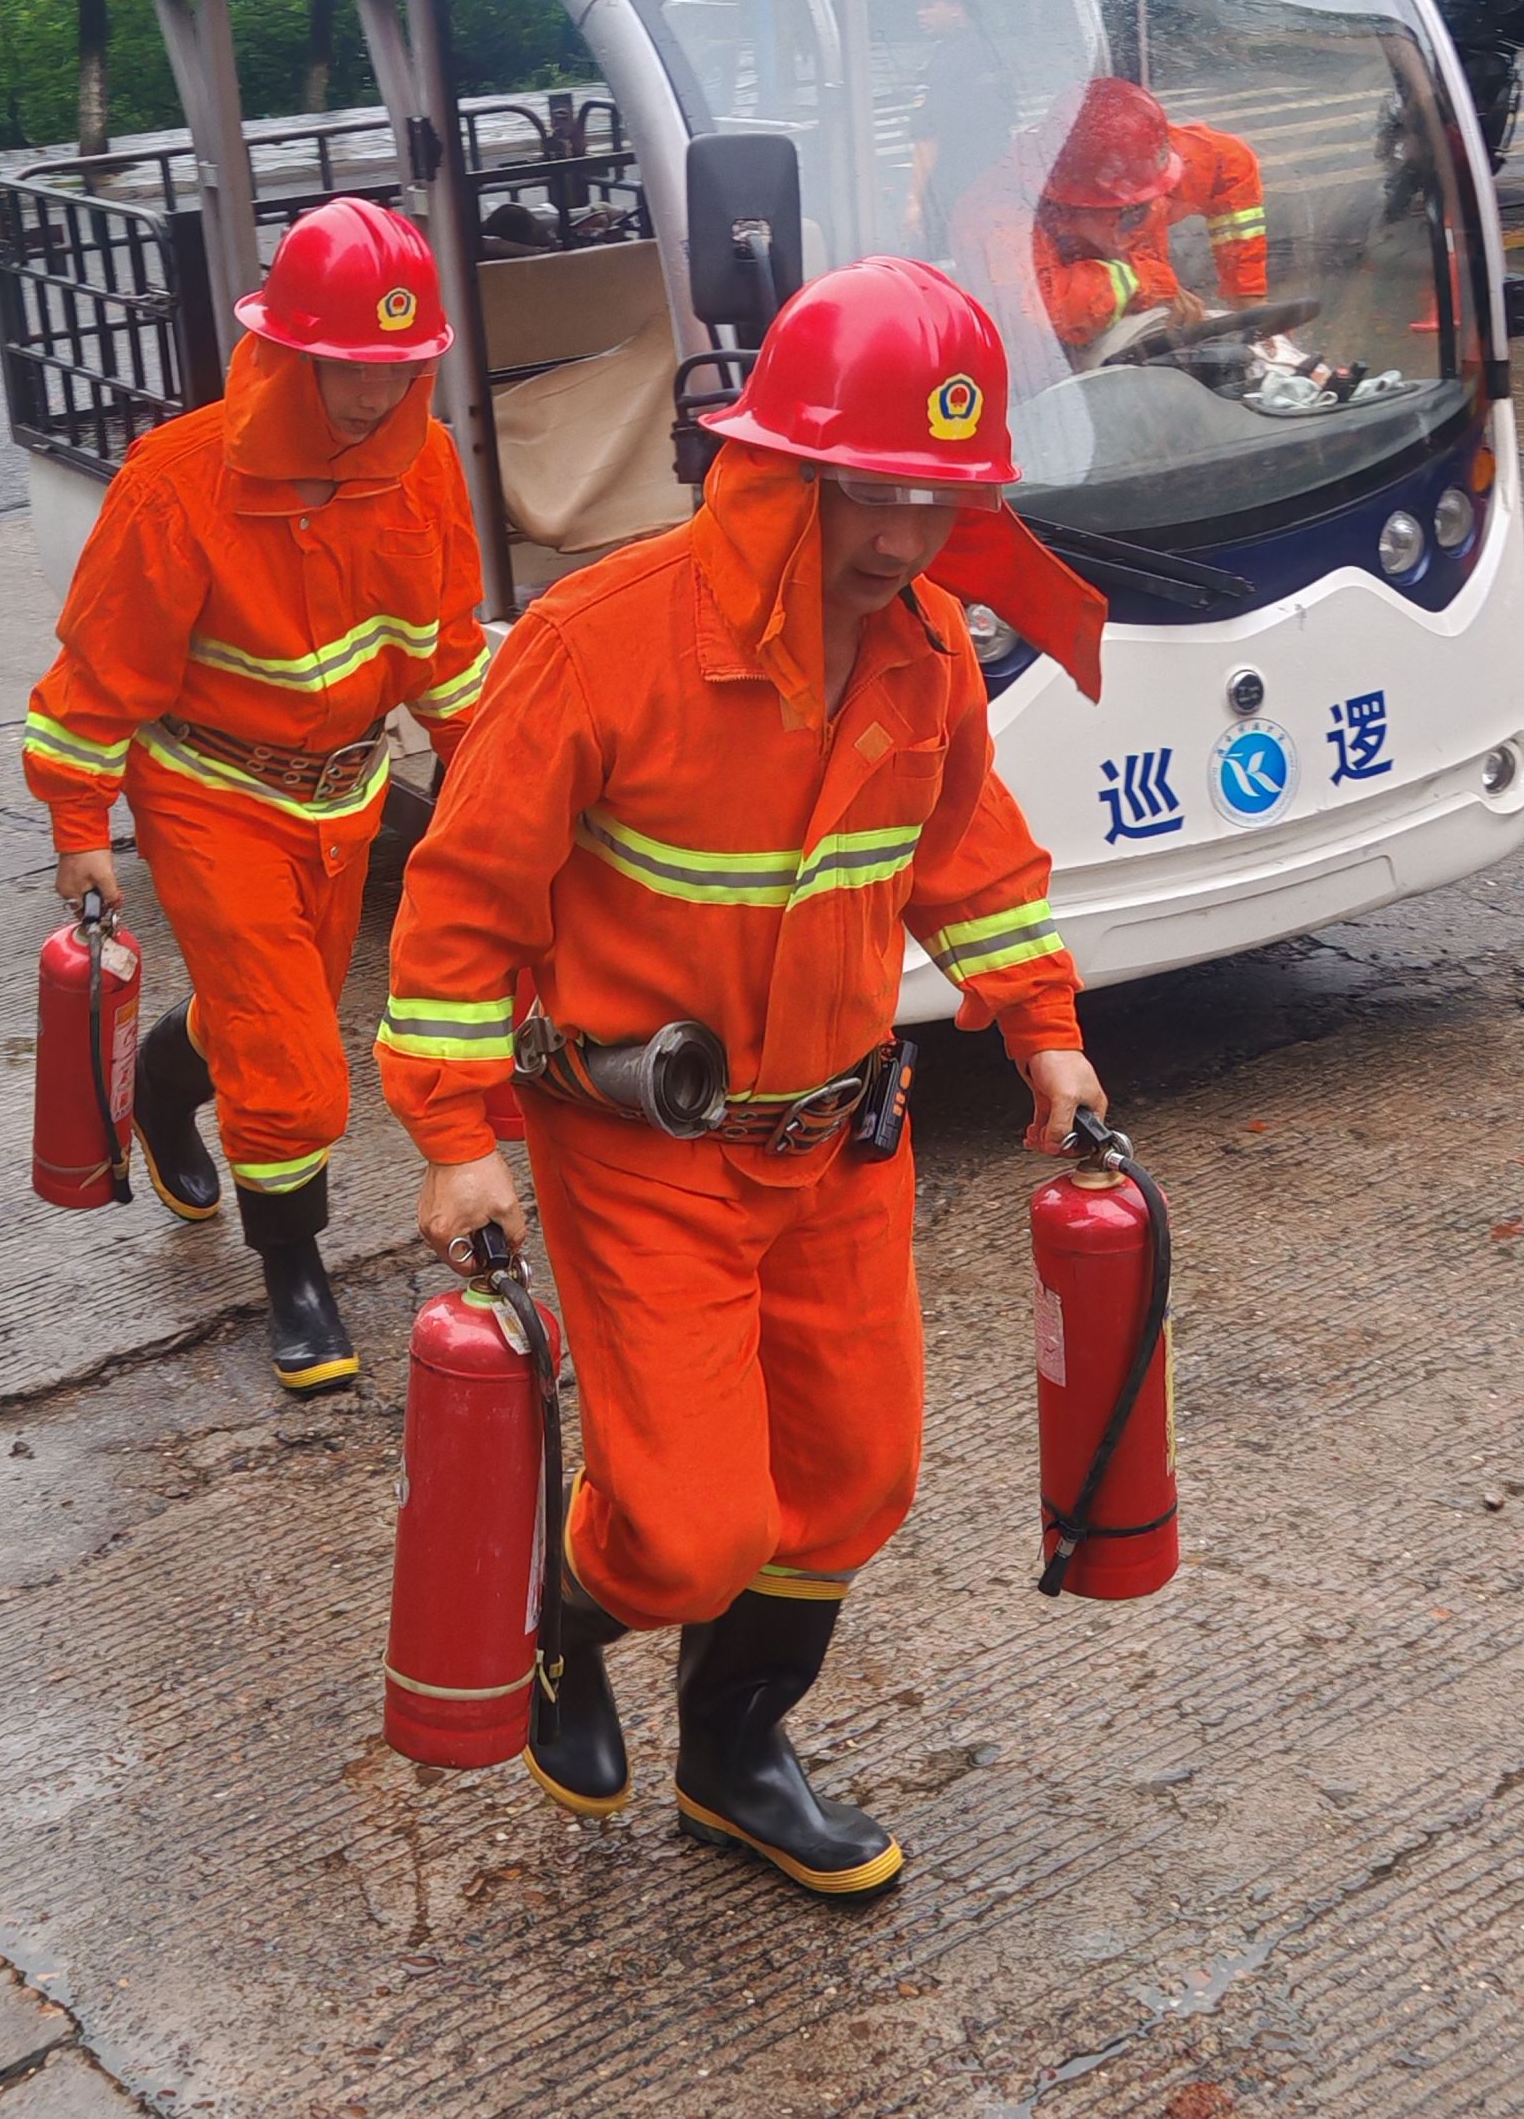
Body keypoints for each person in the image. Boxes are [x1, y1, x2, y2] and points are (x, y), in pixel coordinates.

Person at [375, 259, 1106, 1898]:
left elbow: (966, 856)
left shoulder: (921, 647)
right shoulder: (600, 643)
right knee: (694, 1526)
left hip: (839, 1140)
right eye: (871, 493)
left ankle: (733, 1753)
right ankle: (568, 1615)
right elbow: (464, 896)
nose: (903, 539)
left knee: (855, 1476)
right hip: (643, 1150)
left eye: (934, 498)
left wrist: (1040, 1025)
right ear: (778, 468)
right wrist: (452, 1132)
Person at [23, 198, 489, 1395]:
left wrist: (501, 779)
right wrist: (79, 824)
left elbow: (446, 652)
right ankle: (293, 1270)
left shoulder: (427, 465)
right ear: (285, 350)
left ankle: (162, 1093)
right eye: (348, 366)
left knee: (267, 1014)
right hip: (210, 796)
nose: (373, 395)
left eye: (398, 368)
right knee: (289, 1052)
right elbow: (97, 672)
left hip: (348, 796)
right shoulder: (178, 482)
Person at [956, 74, 1268, 359]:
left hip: (1138, 336)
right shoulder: (997, 213)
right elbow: (1041, 310)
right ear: (1069, 201)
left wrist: (1248, 296)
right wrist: (1146, 283)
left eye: (1138, 208)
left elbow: (1232, 165)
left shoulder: (1146, 157)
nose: (1129, 219)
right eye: (1117, 210)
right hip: (1044, 368)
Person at [903, 0, 1014, 258]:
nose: (920, 14)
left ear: (956, 8)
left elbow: (928, 135)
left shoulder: (947, 61)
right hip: (993, 185)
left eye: (930, 5)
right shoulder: (991, 52)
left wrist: (914, 200)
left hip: (950, 192)